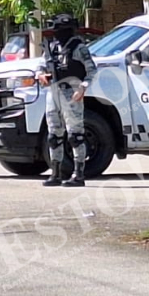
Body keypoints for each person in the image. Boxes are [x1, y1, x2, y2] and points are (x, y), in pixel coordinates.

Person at [42, 13, 96, 188]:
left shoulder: (79, 47)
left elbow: (91, 70)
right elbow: (42, 65)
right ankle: (55, 173)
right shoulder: (52, 47)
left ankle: (78, 174)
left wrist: (83, 88)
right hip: (53, 90)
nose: (55, 33)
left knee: (75, 134)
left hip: (71, 90)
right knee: (53, 135)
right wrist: (40, 74)